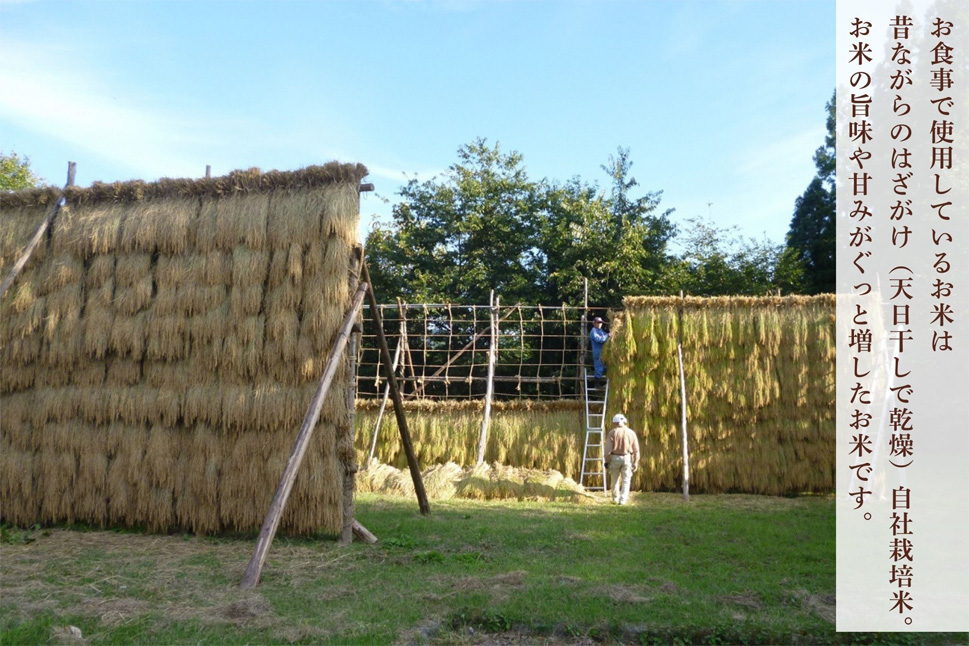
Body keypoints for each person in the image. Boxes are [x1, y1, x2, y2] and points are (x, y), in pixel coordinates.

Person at [604, 413, 640, 505]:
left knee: (614, 480)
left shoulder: (612, 433)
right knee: (626, 480)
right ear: (624, 422)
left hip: (615, 457)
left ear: (615, 423)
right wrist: (636, 462)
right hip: (627, 458)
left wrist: (607, 461)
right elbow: (636, 449)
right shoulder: (631, 433)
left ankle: (615, 499)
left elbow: (608, 449)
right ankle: (623, 500)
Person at [589, 316, 610, 383]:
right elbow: (599, 339)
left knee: (604, 367)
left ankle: (601, 384)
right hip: (598, 353)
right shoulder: (593, 331)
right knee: (599, 367)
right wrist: (608, 335)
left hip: (602, 352)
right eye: (598, 323)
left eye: (601, 323)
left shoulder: (600, 331)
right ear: (594, 323)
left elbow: (605, 335)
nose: (600, 324)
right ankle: (597, 384)